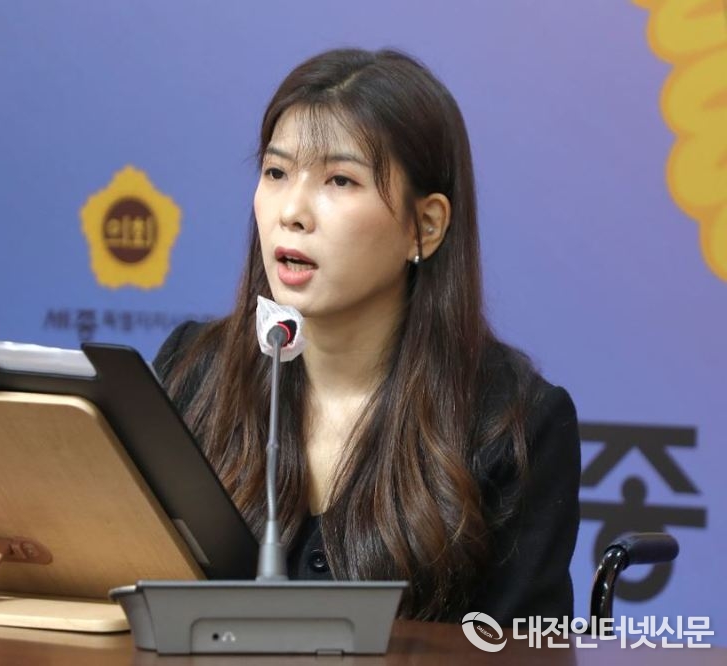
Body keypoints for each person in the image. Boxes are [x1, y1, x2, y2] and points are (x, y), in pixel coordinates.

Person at [154, 48, 580, 624]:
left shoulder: (513, 423)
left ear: (425, 225)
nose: (292, 211)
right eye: (276, 173)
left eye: (340, 179)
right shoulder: (193, 372)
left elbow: (519, 652)